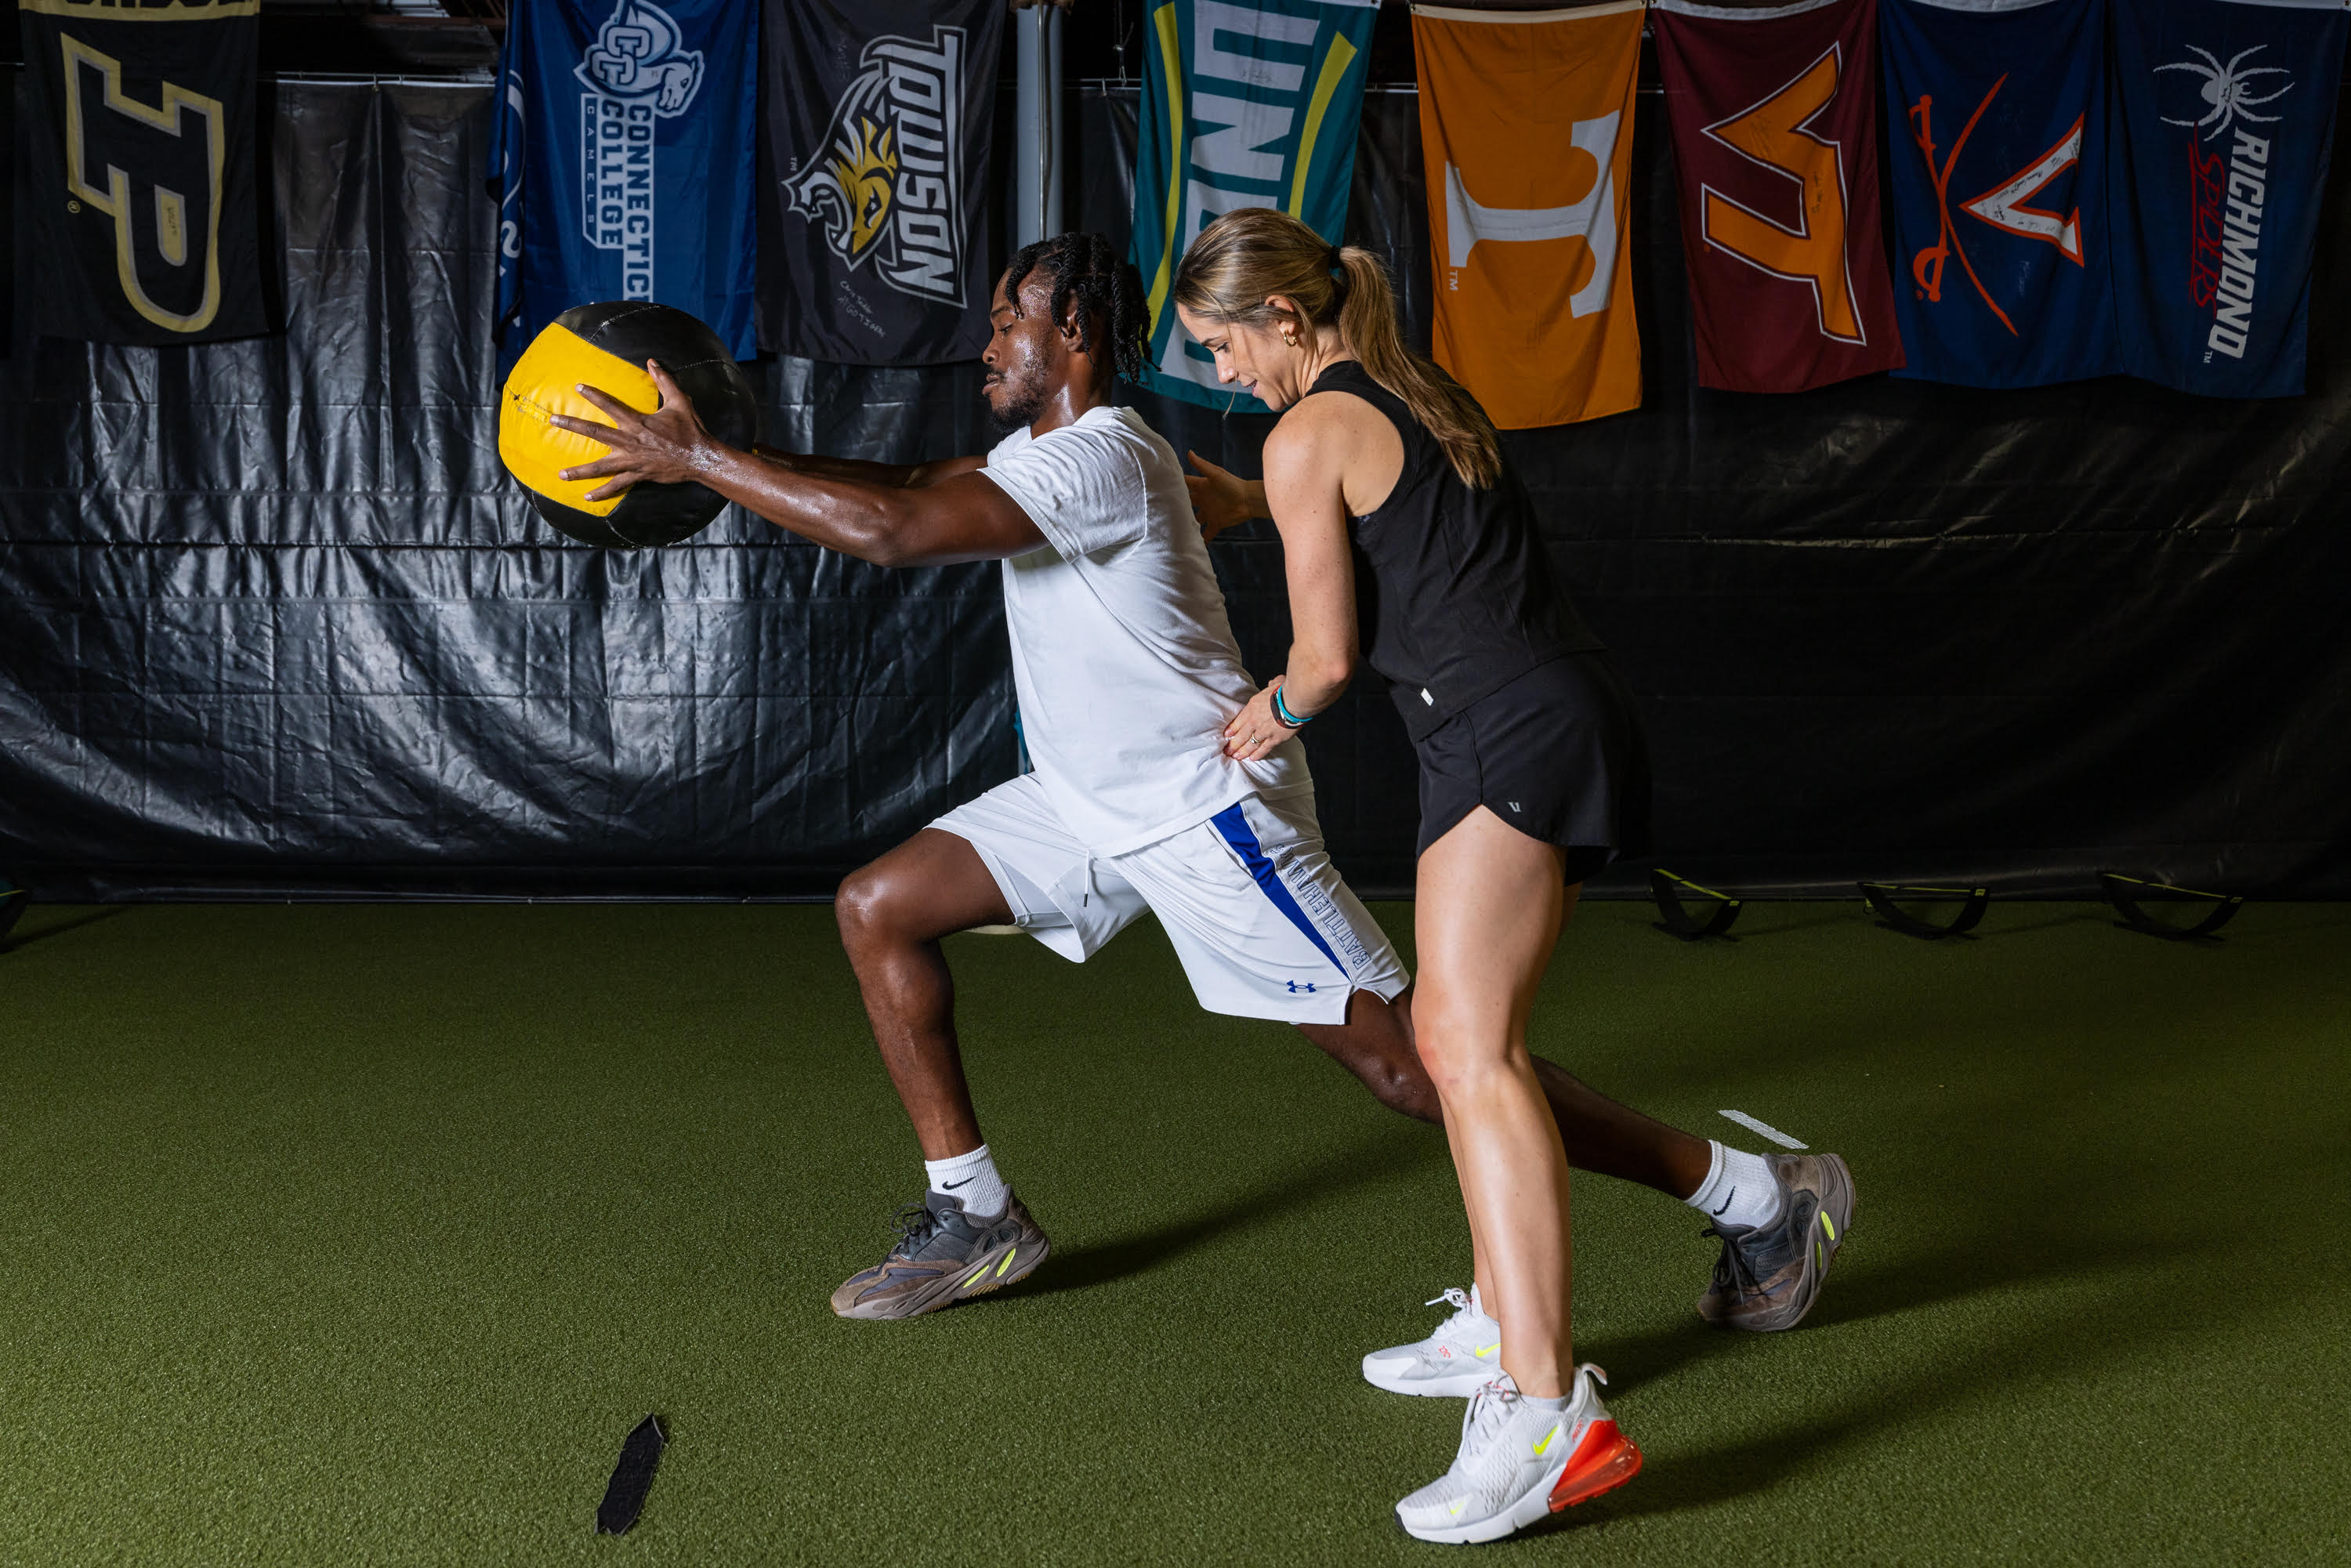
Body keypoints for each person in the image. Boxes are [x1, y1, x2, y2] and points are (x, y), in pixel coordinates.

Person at [546, 230, 1821, 1349]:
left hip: (1207, 811)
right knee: (880, 904)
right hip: (1085, 801)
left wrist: (704, 462)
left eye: (1010, 322)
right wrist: (724, 450)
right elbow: (913, 489)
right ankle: (977, 1211)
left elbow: (894, 535)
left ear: (1078, 334)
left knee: (1424, 1068)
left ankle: (1756, 1200)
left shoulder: (1102, 455)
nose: (988, 341)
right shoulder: (1031, 450)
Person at [1171, 208, 1856, 1543]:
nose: (1221, 374)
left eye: (1219, 346)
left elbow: (1322, 658)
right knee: (1466, 1035)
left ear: (1283, 320)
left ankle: (1549, 1407)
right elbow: (1389, 505)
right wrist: (1259, 496)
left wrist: (1268, 714)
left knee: (1466, 1048)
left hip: (1499, 732)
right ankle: (1504, 1323)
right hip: (1543, 710)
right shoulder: (1406, 389)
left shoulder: (1305, 428)